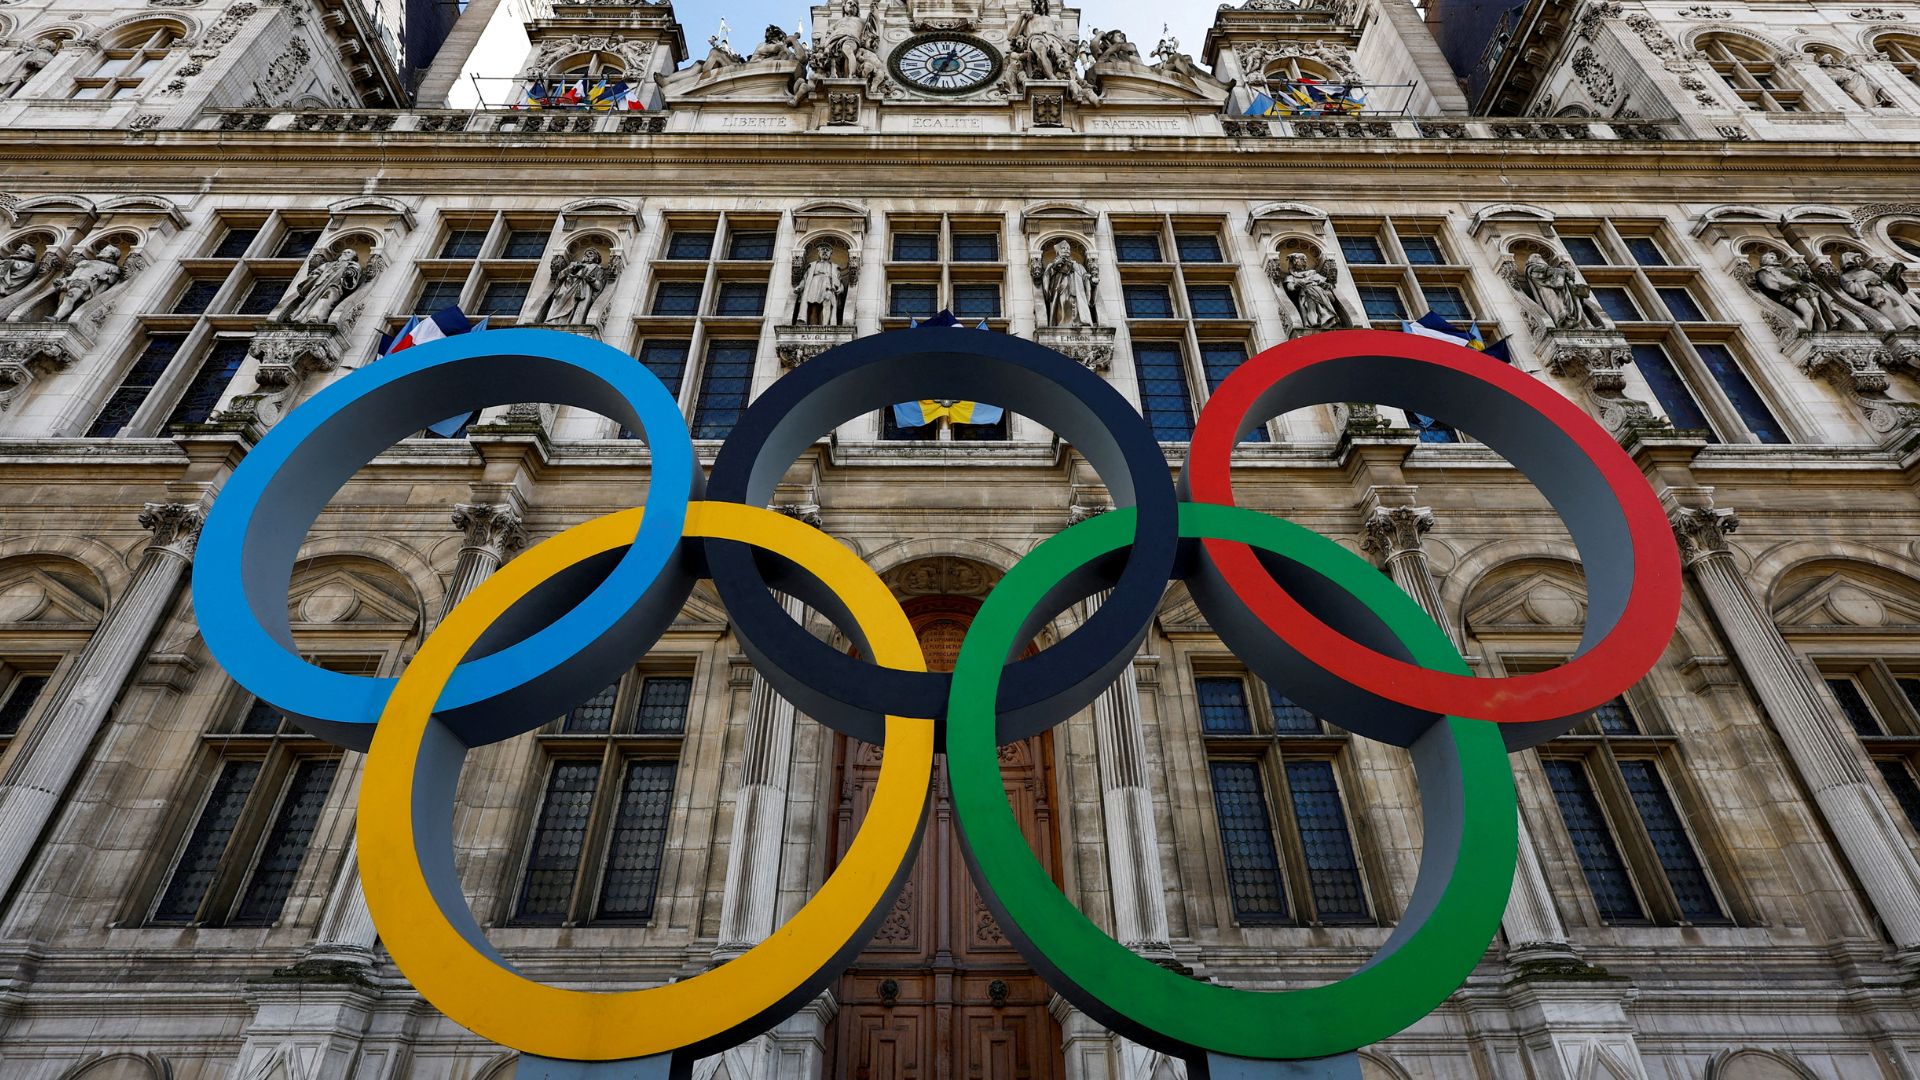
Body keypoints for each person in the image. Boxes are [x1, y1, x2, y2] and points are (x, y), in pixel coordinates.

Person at [1039, 240, 1095, 327]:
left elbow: (1084, 276)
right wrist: (1056, 266)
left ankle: (1078, 323)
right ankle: (1062, 324)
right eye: (1063, 248)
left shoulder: (1078, 266)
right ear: (1058, 252)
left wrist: (1090, 279)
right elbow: (1047, 277)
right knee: (1064, 304)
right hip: (1061, 291)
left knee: (1076, 306)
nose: (1066, 250)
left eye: (1068, 248)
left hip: (1076, 291)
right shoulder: (1053, 265)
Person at [792, 243, 846, 325]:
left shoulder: (834, 267)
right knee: (813, 306)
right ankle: (812, 325)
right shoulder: (812, 265)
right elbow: (805, 279)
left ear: (830, 254)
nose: (825, 252)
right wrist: (799, 287)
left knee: (827, 303)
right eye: (822, 250)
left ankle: (825, 325)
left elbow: (840, 281)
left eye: (827, 250)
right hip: (814, 284)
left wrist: (841, 289)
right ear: (819, 253)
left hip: (828, 286)